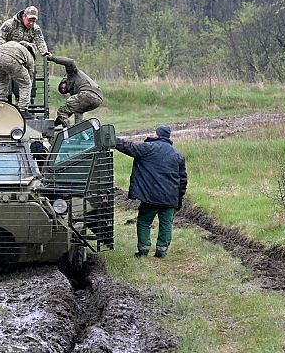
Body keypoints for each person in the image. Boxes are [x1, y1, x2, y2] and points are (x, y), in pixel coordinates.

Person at [115, 125, 187, 258]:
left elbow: (128, 147)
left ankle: (143, 250)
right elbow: (183, 181)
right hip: (170, 197)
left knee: (144, 221)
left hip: (151, 197)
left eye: (154, 132)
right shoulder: (178, 155)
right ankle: (162, 251)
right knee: (166, 224)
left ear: (158, 135)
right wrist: (179, 198)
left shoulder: (148, 148)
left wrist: (111, 139)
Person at [46, 55, 103, 128]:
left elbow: (70, 62)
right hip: (98, 99)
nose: (63, 89)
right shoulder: (74, 92)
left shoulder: (71, 74)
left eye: (62, 87)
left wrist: (52, 58)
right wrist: (56, 123)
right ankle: (78, 130)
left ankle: (68, 131)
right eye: (63, 91)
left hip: (88, 93)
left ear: (63, 81)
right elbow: (68, 112)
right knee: (77, 111)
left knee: (62, 110)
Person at [0, 40, 37, 118]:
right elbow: (30, 74)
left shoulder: (13, 44)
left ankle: (1, 105)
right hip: (10, 58)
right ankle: (22, 110)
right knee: (26, 84)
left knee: (2, 81)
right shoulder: (29, 55)